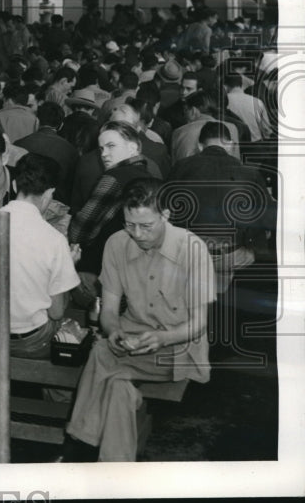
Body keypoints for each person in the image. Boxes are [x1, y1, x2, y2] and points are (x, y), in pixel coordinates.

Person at [63, 178, 215, 462]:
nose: (137, 234)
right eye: (129, 224)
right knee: (117, 383)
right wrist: (115, 331)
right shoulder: (117, 244)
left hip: (177, 349)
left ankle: (79, 447)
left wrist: (162, 338)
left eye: (146, 226)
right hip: (130, 344)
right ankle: (115, 474)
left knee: (102, 358)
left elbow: (199, 323)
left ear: (166, 216)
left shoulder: (192, 249)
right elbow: (108, 312)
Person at [0, 153, 79, 358]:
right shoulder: (55, 240)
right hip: (30, 342)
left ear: (15, 186)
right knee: (64, 319)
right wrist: (67, 268)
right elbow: (56, 312)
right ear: (49, 193)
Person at [167, 121, 275, 294]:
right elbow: (269, 219)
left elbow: (166, 209)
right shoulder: (250, 173)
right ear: (230, 145)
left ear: (200, 146)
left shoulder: (180, 168)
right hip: (231, 255)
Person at [69, 121, 160, 305]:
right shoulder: (151, 177)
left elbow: (79, 232)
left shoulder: (113, 179)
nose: (104, 154)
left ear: (133, 147)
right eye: (101, 148)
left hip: (101, 278)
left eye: (111, 146)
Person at [15, 101, 79, 205]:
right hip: (56, 206)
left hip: (24, 201)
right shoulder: (71, 150)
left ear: (37, 121)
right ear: (61, 125)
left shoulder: (19, 143)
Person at [222, 73, 272, 142]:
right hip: (257, 145)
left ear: (225, 86)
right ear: (241, 85)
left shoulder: (223, 101)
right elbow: (266, 129)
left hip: (237, 146)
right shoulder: (257, 101)